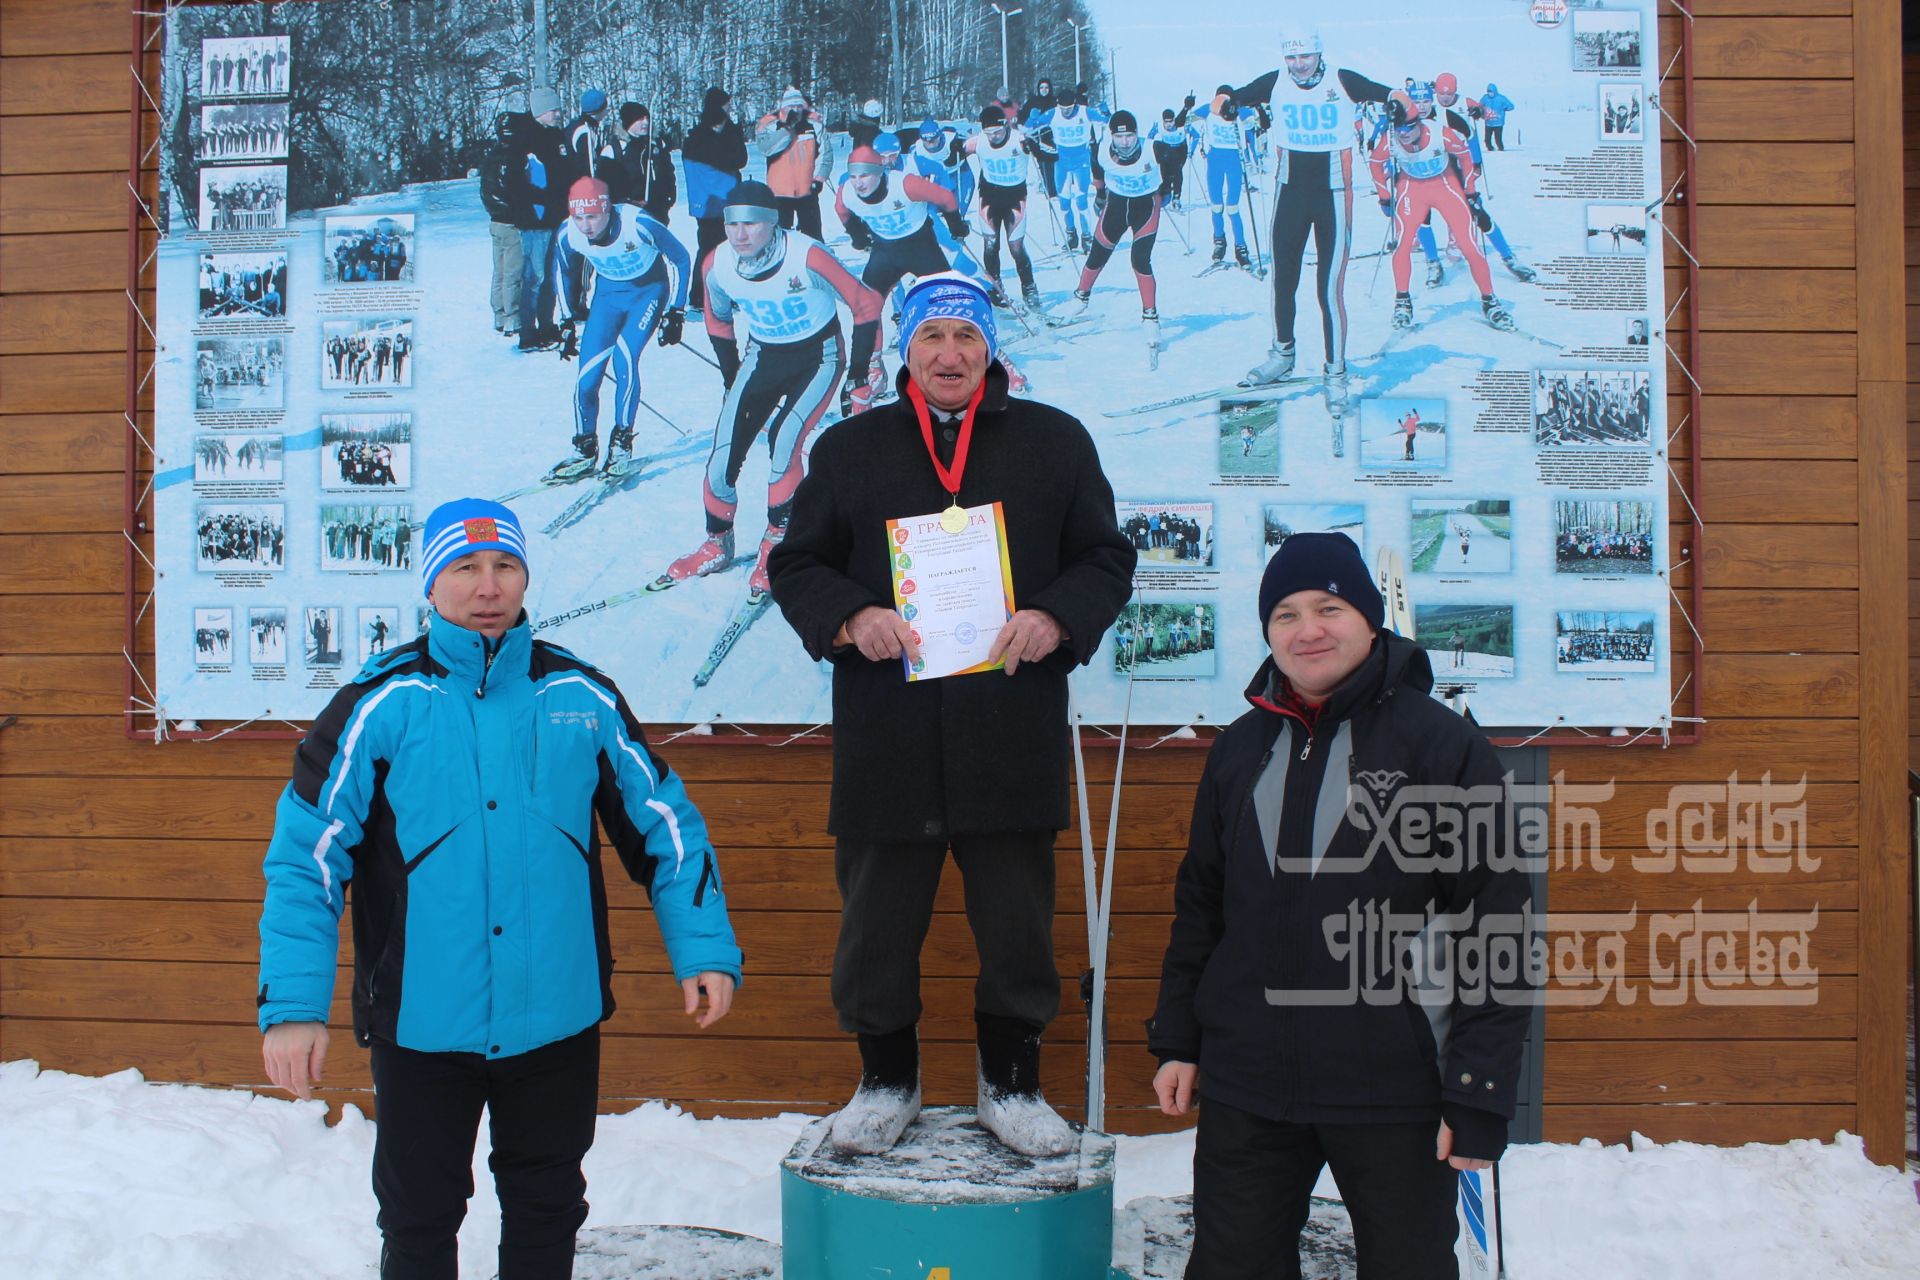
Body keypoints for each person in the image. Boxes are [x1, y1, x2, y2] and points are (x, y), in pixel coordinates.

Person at [258, 498, 743, 1280]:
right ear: (431, 584)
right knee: (418, 1219)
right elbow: (305, 861)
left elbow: (668, 831)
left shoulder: (581, 698)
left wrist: (705, 950)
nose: (488, 586)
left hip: (556, 1019)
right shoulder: (378, 704)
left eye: (505, 566)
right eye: (466, 567)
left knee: (547, 1209)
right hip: (422, 1025)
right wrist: (291, 1006)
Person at [765, 273, 1136, 1158]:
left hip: (1010, 731)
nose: (949, 355)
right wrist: (851, 617)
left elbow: (1105, 558)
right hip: (887, 737)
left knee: (1016, 929)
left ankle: (1012, 1085)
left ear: (991, 349)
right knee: (877, 931)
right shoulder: (851, 449)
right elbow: (797, 564)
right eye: (931, 337)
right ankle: (885, 1080)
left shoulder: (1056, 443)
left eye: (966, 339)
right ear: (905, 350)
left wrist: (1056, 616)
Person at [1147, 531, 1533, 1280]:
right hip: (1249, 1086)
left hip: (1396, 1091)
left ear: (1368, 618)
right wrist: (1180, 1038)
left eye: (1328, 606)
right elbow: (1202, 907)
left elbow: (1497, 922)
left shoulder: (1441, 747)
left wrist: (1480, 1089)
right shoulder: (1240, 749)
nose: (1307, 629)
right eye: (1285, 613)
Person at [652, 180, 882, 598]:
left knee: (784, 444)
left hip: (819, 357)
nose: (740, 234)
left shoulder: (806, 254)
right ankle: (717, 542)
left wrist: (860, 377)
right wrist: (731, 377)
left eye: (752, 224)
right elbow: (717, 320)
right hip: (764, 357)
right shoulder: (717, 263)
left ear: (772, 225)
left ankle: (778, 543)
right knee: (723, 453)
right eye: (732, 224)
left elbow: (865, 304)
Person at [1229, 28, 1391, 409]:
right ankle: (1282, 355)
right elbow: (1235, 96)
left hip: (1332, 196)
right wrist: (1224, 98)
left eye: (1305, 56)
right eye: (1291, 58)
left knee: (1328, 291)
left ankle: (1335, 372)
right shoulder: (1276, 82)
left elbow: (1388, 94)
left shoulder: (1342, 80)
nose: (1298, 65)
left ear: (1319, 54)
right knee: (1282, 280)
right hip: (1290, 193)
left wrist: (1399, 103)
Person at [544, 177, 692, 482]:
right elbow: (562, 272)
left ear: (607, 209)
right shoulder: (568, 233)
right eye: (579, 217)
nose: (585, 226)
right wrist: (567, 320)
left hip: (647, 292)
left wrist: (676, 311)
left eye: (592, 217)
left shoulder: (638, 223)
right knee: (587, 378)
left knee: (625, 359)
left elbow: (680, 258)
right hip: (608, 298)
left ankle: (621, 442)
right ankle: (585, 447)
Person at [1371, 91, 1515, 334]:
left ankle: (1490, 300)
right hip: (1412, 187)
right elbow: (1375, 163)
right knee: (1403, 244)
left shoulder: (1441, 133)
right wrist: (1384, 196)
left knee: (1469, 246)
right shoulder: (1391, 137)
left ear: (1417, 123)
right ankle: (1402, 301)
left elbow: (1466, 157)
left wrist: (1470, 190)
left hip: (1445, 185)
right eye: (1399, 130)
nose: (1403, 135)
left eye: (1408, 128)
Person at [1066, 111, 1165, 355]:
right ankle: (1081, 298)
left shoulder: (1154, 149)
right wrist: (1099, 192)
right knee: (1098, 252)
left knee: (1140, 259)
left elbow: (1175, 161)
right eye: (1119, 136)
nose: (1125, 142)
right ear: (1112, 136)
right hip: (1117, 206)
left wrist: (1170, 189)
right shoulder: (1100, 150)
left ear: (1136, 135)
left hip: (1146, 207)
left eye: (1130, 136)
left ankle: (1150, 318)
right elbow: (1096, 168)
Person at [508, 86, 575, 351]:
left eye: (559, 109)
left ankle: (547, 325)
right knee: (534, 276)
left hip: (556, 216)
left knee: (550, 275)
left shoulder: (557, 136)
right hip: (535, 220)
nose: (558, 114)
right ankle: (528, 331)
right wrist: (543, 199)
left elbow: (565, 171)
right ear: (539, 112)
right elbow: (516, 182)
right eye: (552, 110)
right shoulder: (524, 139)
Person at [964, 107, 1045, 309]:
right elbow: (950, 156)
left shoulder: (1019, 139)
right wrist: (956, 149)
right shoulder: (979, 141)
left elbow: (1049, 156)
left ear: (1005, 126)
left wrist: (1035, 147)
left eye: (998, 132)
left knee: (1016, 246)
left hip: (1015, 198)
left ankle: (1029, 287)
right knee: (991, 244)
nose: (994, 137)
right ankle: (995, 287)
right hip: (989, 197)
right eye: (989, 133)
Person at [1188, 86, 1260, 270]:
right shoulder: (1208, 110)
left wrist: (1256, 108)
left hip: (1235, 161)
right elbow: (1187, 121)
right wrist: (1186, 109)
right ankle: (1219, 242)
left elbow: (1254, 121)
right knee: (1216, 205)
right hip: (1215, 162)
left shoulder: (1239, 111)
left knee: (1233, 207)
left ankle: (1241, 248)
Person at [754, 86, 833, 240]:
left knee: (813, 234)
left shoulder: (814, 124)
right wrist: (787, 129)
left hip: (807, 188)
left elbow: (825, 153)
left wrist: (819, 178)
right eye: (791, 106)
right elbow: (766, 149)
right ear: (783, 107)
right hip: (779, 191)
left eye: (799, 106)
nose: (795, 110)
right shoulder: (769, 124)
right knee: (780, 235)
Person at [608, 103, 678, 221]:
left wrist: (670, 193)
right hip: (628, 213)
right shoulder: (615, 150)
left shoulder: (656, 145)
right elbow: (607, 185)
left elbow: (668, 171)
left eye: (647, 118)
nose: (645, 122)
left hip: (658, 211)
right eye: (640, 119)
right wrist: (627, 202)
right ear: (629, 121)